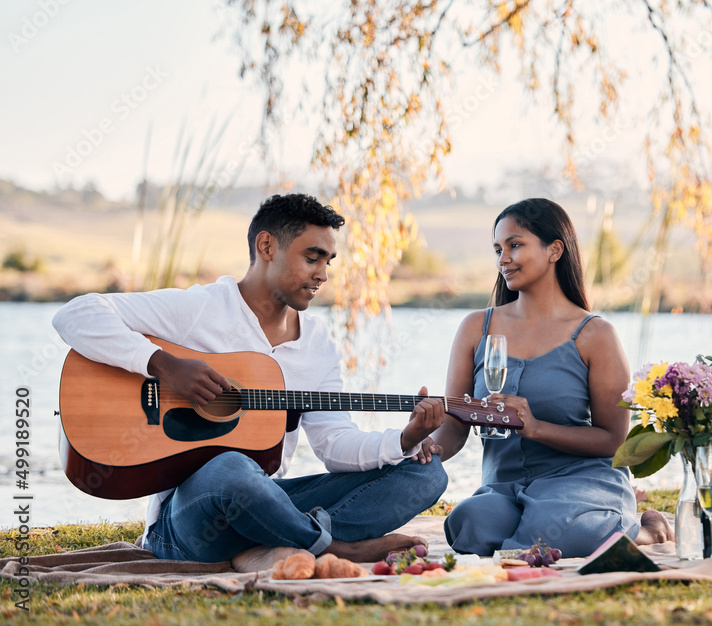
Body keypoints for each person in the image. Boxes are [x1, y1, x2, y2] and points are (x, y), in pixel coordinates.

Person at [52, 193, 448, 568]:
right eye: (313, 258)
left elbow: (334, 444)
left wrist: (405, 439)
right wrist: (163, 365)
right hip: (192, 518)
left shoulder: (317, 344)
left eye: (328, 261)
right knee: (232, 468)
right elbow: (76, 314)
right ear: (266, 247)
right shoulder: (201, 309)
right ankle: (338, 547)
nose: (323, 274)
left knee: (424, 472)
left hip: (266, 499)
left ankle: (279, 542)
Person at [430, 198, 671, 558]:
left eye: (515, 245)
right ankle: (535, 531)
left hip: (580, 481)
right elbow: (453, 425)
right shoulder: (475, 328)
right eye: (498, 249)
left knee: (557, 532)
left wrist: (537, 427)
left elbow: (613, 439)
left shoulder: (594, 334)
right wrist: (427, 447)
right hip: (505, 485)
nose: (503, 259)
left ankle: (648, 530)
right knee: (469, 524)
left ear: (554, 249)